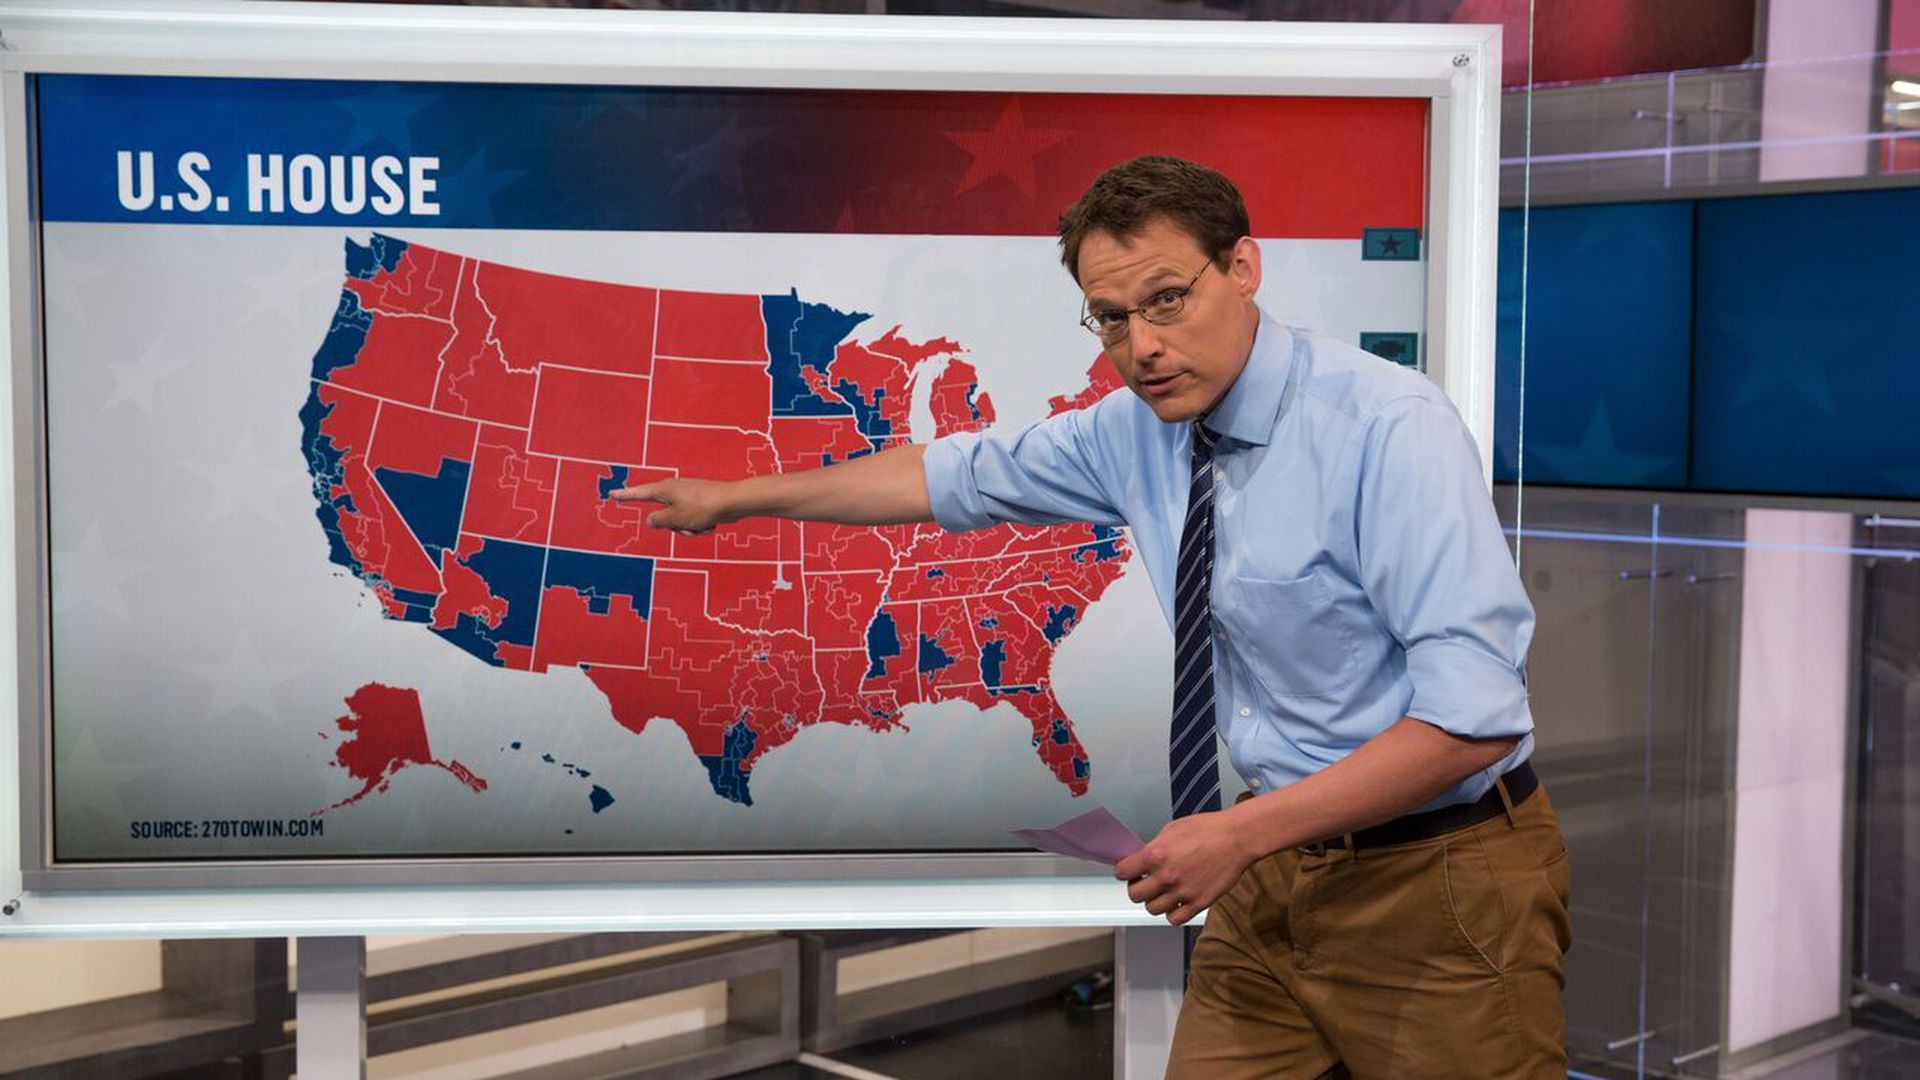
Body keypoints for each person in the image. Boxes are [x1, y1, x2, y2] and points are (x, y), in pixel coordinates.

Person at [612, 155, 1571, 1078]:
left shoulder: (1387, 430)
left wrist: (1238, 835)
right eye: (1110, 318)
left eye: (1166, 300)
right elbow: (948, 476)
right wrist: (737, 499)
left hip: (1439, 883)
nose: (1140, 344)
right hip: (1273, 872)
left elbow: (1473, 720)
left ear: (1244, 268)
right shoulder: (1136, 429)